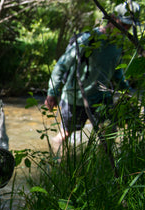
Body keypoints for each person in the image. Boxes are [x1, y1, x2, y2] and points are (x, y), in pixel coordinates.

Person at [44, 1, 140, 147]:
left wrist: (127, 92)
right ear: (113, 18)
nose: (125, 29)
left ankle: (104, 166)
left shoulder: (117, 45)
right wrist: (52, 92)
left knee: (109, 132)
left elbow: (117, 73)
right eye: (123, 24)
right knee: (64, 134)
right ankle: (56, 163)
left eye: (128, 26)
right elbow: (62, 65)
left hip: (101, 98)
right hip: (74, 98)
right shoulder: (88, 39)